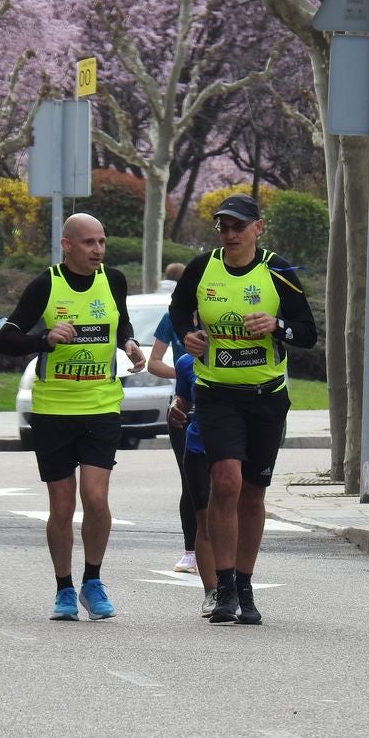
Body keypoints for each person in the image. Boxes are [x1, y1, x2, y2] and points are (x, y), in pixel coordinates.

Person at [169, 193, 317, 625]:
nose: (230, 234)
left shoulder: (278, 270)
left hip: (267, 397)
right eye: (223, 226)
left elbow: (307, 332)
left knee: (253, 492)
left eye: (238, 226)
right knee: (225, 481)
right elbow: (179, 310)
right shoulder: (202, 268)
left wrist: (277, 325)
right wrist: (188, 336)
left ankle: (247, 587)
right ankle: (224, 587)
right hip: (215, 394)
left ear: (258, 228)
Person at [0, 213, 145, 621]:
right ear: (67, 245)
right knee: (61, 507)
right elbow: (5, 339)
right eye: (89, 243)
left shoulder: (112, 280)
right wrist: (44, 338)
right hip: (54, 409)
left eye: (102, 241)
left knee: (95, 497)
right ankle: (63, 587)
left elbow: (120, 320)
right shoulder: (46, 284)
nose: (98, 250)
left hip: (101, 404)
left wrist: (128, 342)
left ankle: (92, 581)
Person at [148, 278, 194, 573]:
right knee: (191, 482)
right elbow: (154, 362)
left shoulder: (221, 317)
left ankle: (220, 548)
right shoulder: (171, 319)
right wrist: (183, 374)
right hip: (181, 407)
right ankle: (190, 552)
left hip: (221, 404)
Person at [168, 351, 218, 615]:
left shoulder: (247, 355)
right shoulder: (187, 362)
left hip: (234, 446)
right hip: (197, 445)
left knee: (233, 513)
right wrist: (177, 407)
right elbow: (183, 400)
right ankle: (212, 592)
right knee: (204, 516)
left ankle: (237, 586)